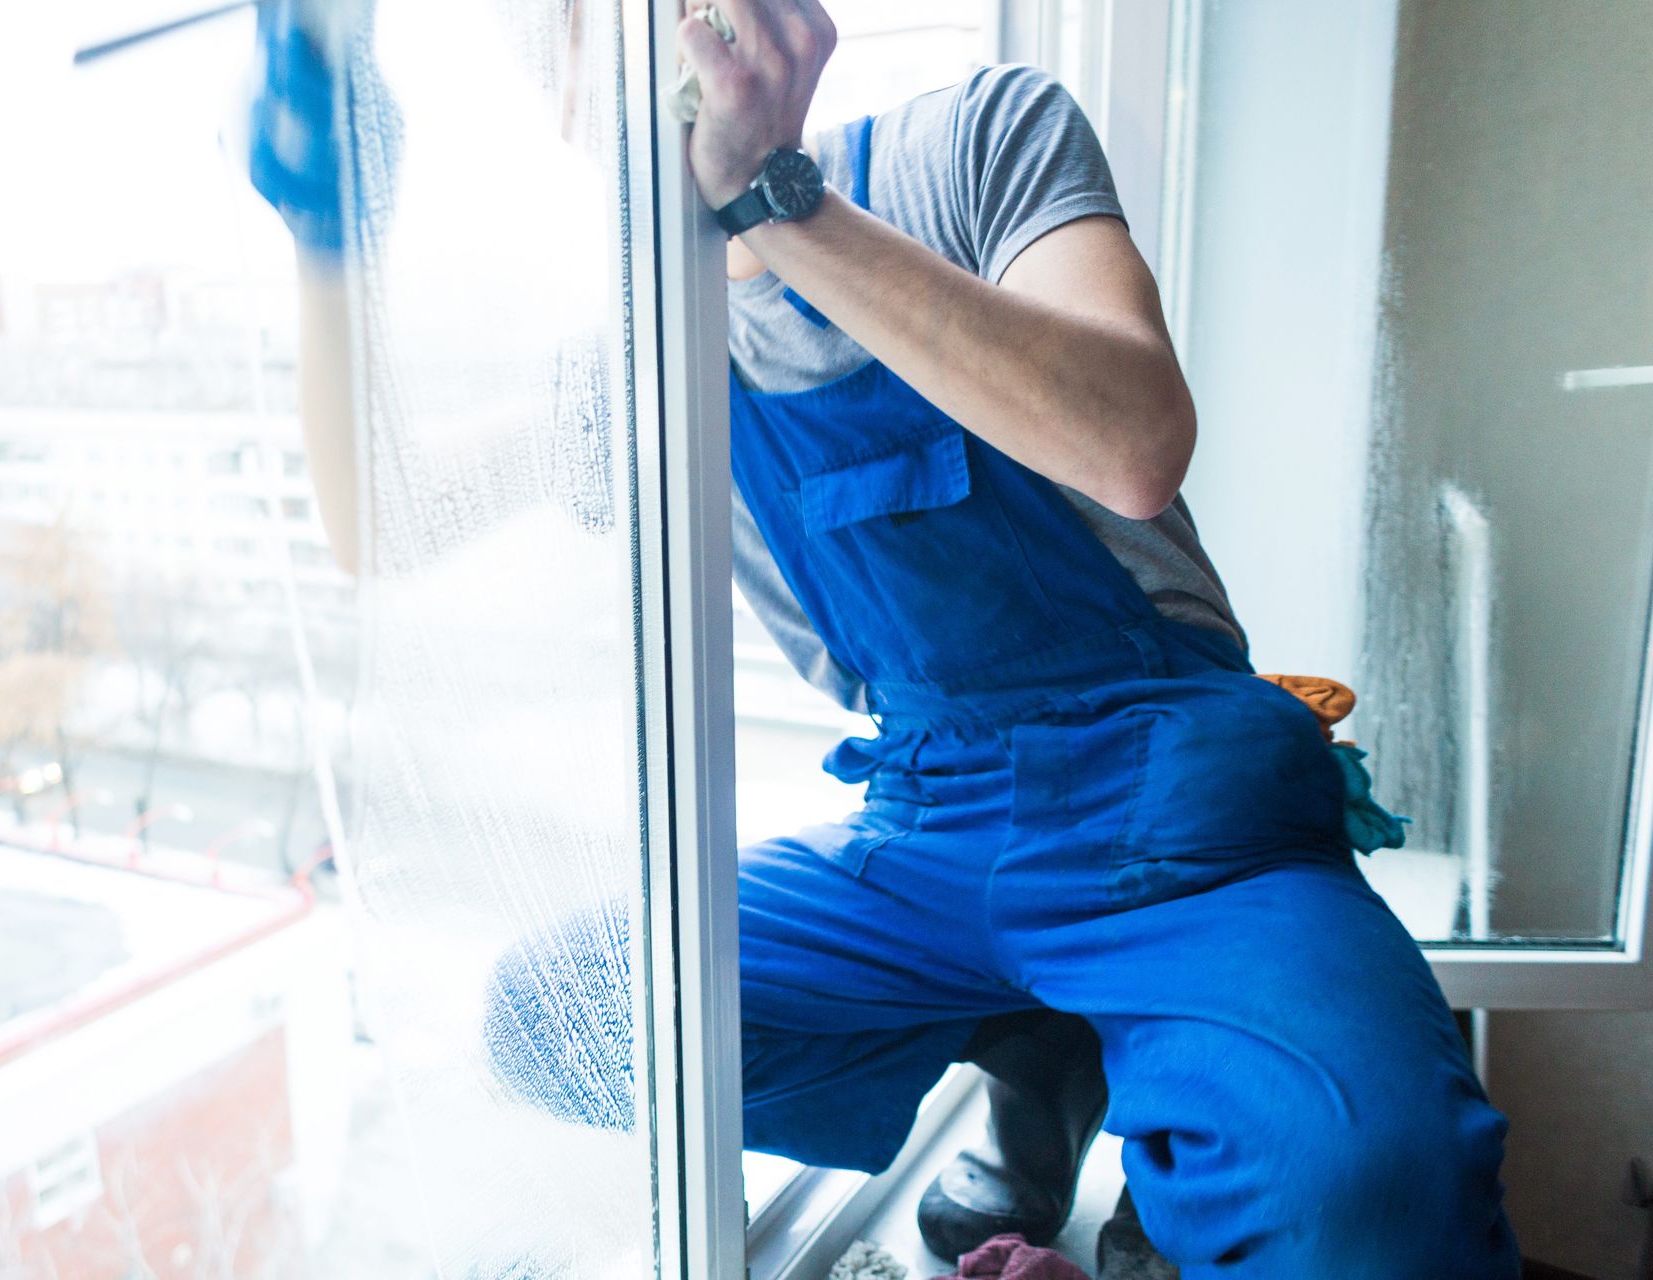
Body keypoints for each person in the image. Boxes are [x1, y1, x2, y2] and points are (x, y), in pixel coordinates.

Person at [251, 1, 1522, 1275]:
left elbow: (1135, 444)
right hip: (933, 824)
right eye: (565, 34)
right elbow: (387, 519)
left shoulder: (973, 140)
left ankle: (1132, 1086)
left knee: (1378, 1194)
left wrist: (773, 199)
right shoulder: (651, 353)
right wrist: (327, 234)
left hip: (1185, 815)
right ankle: (1034, 1031)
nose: (602, 52)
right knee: (555, 1017)